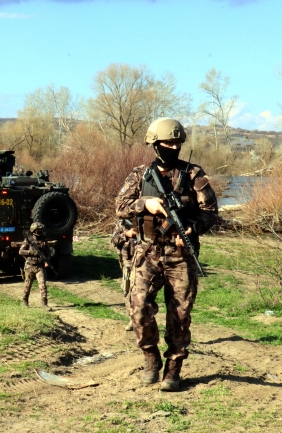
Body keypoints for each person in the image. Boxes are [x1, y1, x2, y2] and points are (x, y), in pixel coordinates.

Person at [115, 117, 218, 392]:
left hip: (181, 255)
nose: (173, 147)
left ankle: (174, 368)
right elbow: (120, 207)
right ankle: (151, 358)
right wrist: (145, 203)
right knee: (138, 309)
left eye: (177, 142)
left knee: (180, 315)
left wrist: (191, 228)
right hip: (147, 251)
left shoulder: (194, 174)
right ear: (154, 144)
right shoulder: (140, 175)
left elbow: (210, 213)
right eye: (167, 142)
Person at [110, 219, 137, 331]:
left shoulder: (145, 221)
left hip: (144, 262)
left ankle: (141, 319)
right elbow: (113, 240)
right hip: (128, 263)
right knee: (127, 289)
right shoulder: (121, 224)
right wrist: (126, 234)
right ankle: (132, 318)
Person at [19, 222, 51, 310]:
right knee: (27, 285)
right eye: (38, 230)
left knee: (42, 285)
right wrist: (31, 252)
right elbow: (21, 251)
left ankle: (44, 304)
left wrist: (47, 260)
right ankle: (25, 302)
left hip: (40, 267)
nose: (40, 232)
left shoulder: (44, 241)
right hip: (29, 266)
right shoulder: (28, 240)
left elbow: (48, 253)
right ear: (33, 231)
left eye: (41, 230)